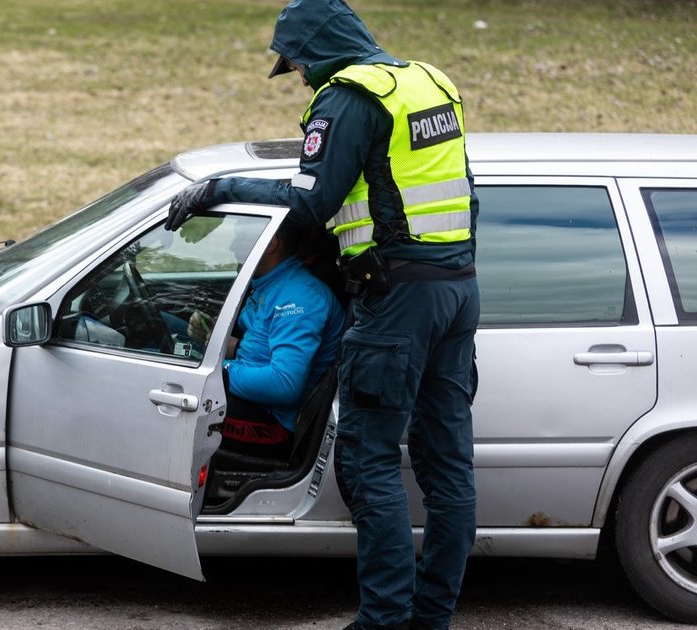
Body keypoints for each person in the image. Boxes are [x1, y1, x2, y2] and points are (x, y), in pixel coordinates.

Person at [165, 1, 481, 629]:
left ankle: (385, 621)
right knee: (446, 465)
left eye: (300, 65)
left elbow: (311, 206)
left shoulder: (347, 98)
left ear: (317, 52)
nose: (301, 79)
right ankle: (432, 618)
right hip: (458, 288)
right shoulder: (428, 82)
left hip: (396, 302)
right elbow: (458, 193)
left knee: (368, 462)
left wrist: (219, 190)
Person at [217, 222, 345, 457]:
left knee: (176, 401)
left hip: (274, 423)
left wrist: (218, 372)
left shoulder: (298, 298)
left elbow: (284, 384)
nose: (233, 246)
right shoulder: (271, 284)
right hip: (254, 399)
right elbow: (260, 345)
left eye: (241, 237)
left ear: (271, 243)